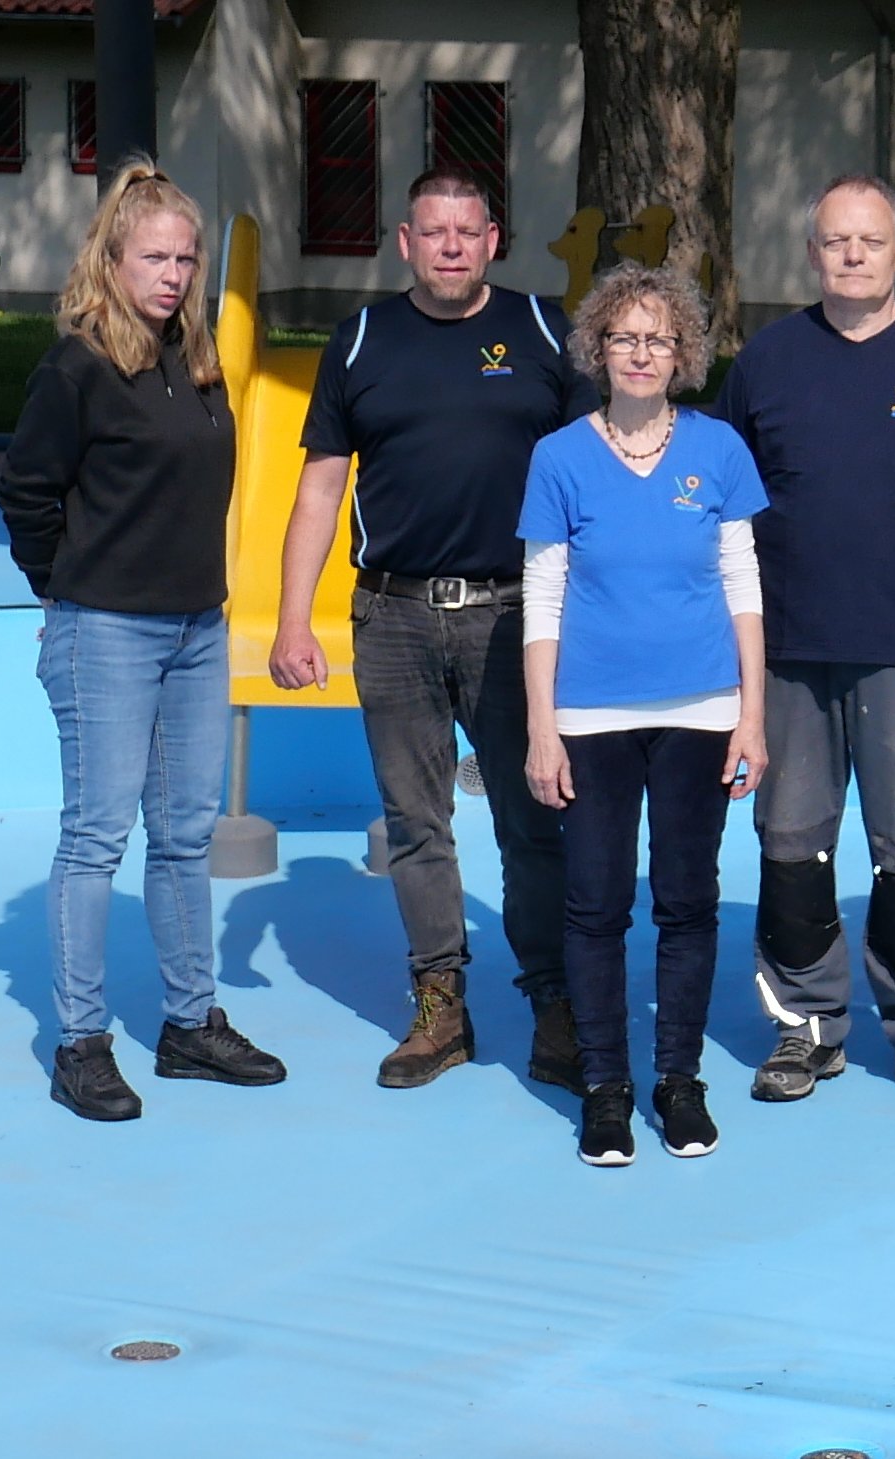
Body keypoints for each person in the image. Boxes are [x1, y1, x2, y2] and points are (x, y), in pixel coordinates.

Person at [269, 166, 594, 1092]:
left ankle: (555, 1001)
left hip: (516, 617)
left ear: (494, 238)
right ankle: (439, 1005)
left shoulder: (543, 331)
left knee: (536, 820)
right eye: (433, 231)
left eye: (467, 231)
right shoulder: (360, 339)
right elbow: (321, 489)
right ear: (403, 242)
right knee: (417, 825)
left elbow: (589, 479)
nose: (451, 246)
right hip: (394, 617)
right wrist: (294, 620)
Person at [0, 158, 286, 1121]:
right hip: (106, 632)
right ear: (112, 259)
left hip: (198, 629)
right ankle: (80, 1041)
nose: (172, 273)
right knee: (96, 839)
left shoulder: (195, 363)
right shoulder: (79, 364)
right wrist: (69, 590)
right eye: (154, 257)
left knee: (184, 837)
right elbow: (25, 494)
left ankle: (189, 1023)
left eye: (186, 258)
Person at [711, 174, 895, 1111]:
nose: (852, 255)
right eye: (835, 241)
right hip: (791, 653)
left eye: (869, 241)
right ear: (812, 254)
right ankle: (804, 1030)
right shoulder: (765, 362)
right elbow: (727, 522)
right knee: (791, 841)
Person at [518, 266, 768, 1167]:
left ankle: (677, 1080)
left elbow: (744, 585)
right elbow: (541, 596)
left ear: (684, 353)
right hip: (590, 715)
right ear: (597, 348)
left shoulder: (719, 449)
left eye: (658, 337)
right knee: (592, 906)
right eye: (624, 336)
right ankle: (606, 1087)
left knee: (687, 901)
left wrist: (751, 716)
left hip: (702, 709)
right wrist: (542, 726)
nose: (641, 352)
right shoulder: (559, 456)